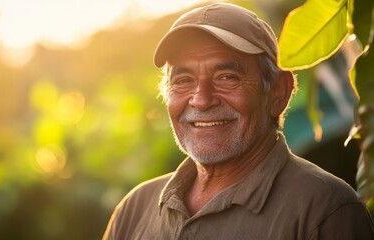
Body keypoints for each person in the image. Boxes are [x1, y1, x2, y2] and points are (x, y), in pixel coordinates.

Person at [103, 3, 374, 239]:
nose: (201, 99)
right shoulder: (135, 208)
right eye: (183, 80)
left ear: (278, 91)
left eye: (226, 77)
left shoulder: (325, 211)